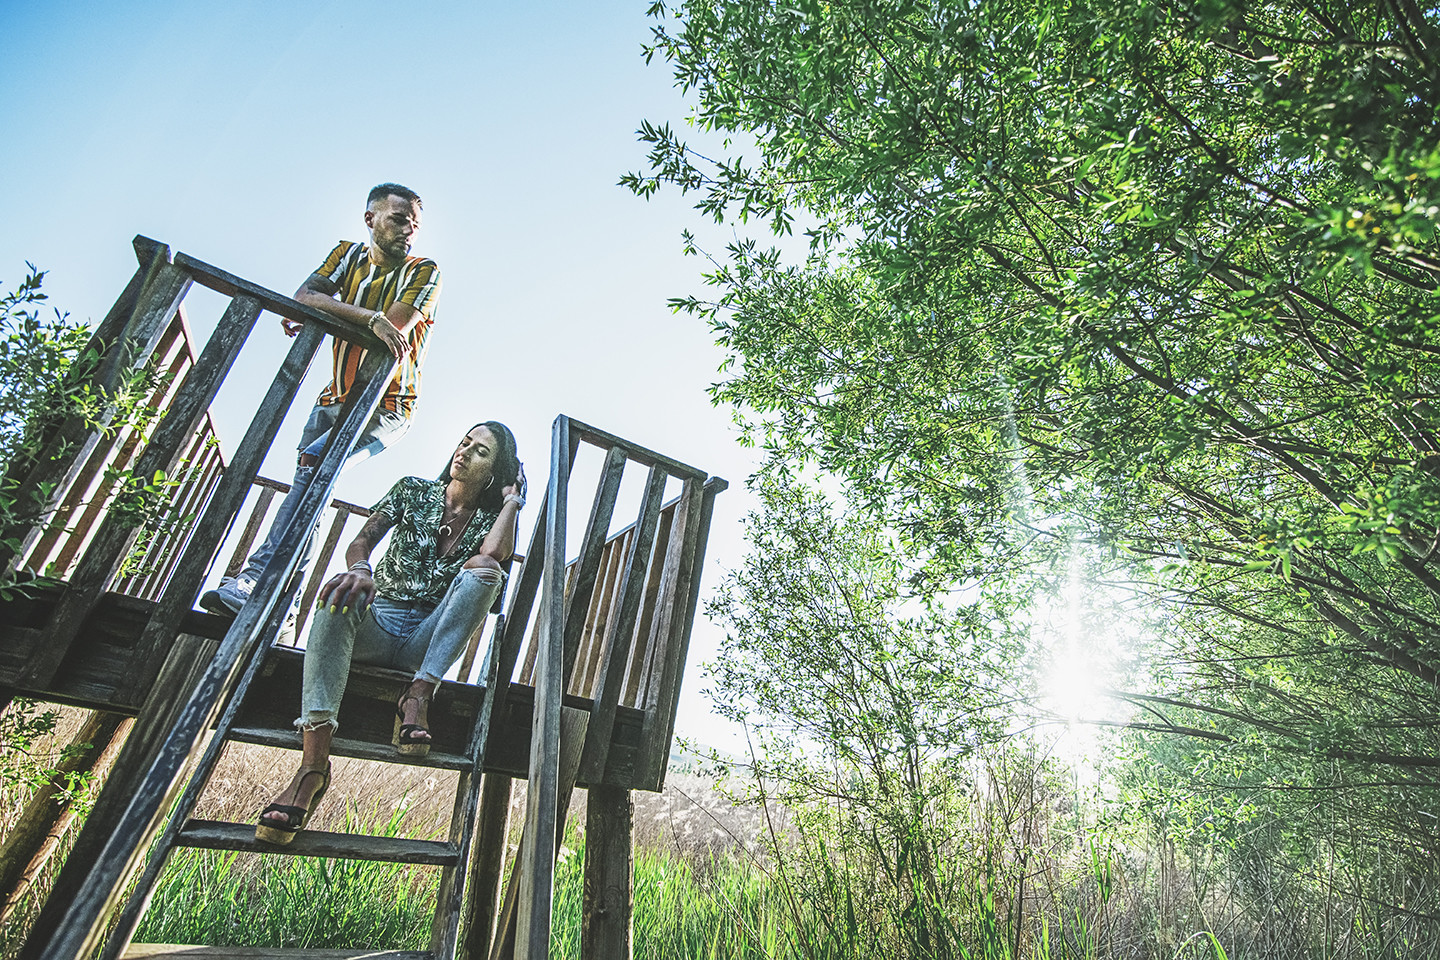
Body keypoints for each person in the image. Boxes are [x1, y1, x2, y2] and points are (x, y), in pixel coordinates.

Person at [255, 421, 524, 845]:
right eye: (464, 442)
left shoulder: (494, 520)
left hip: (426, 643)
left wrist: (512, 503)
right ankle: (313, 767)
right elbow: (361, 540)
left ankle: (418, 694)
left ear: (497, 471)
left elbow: (493, 556)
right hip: (377, 622)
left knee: (486, 573)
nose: (465, 452)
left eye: (481, 452)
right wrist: (360, 570)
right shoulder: (412, 490)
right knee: (336, 595)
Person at [202, 182, 442, 616]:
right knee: (310, 485)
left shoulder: (425, 271)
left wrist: (332, 311)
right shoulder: (345, 255)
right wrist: (360, 316)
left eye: (415, 224)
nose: (408, 230)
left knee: (317, 468)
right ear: (370, 219)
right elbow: (304, 298)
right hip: (333, 397)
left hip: (387, 405)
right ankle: (286, 606)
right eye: (398, 219)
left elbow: (394, 327)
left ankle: (257, 578)